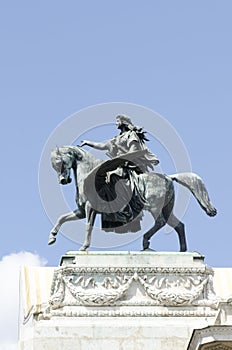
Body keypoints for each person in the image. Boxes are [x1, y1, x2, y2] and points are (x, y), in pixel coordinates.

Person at [81, 115, 159, 233]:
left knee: (113, 177)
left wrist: (122, 160)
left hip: (128, 167)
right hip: (117, 166)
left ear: (123, 122)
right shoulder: (116, 138)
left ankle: (124, 208)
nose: (116, 123)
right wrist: (88, 143)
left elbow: (134, 151)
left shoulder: (131, 135)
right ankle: (108, 208)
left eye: (118, 121)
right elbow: (102, 146)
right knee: (105, 179)